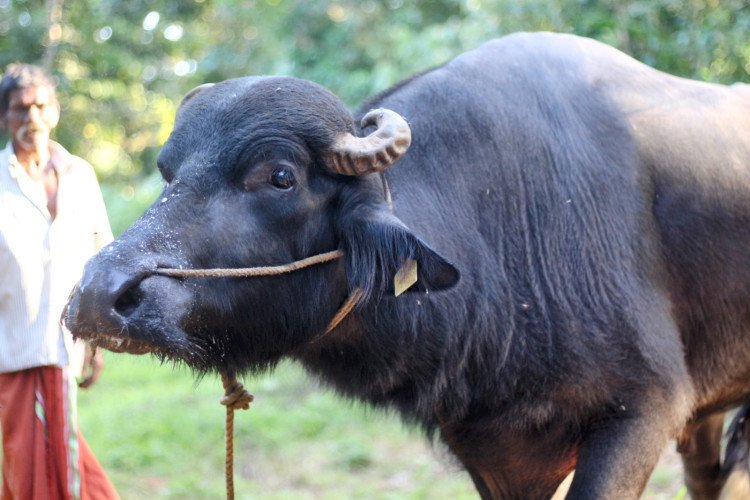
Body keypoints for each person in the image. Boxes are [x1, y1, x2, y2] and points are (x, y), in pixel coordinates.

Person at [0, 63, 118, 499]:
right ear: (3, 118)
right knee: (25, 466)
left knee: (62, 460)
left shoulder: (79, 175)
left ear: (54, 112)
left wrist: (100, 338)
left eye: (39, 106)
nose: (31, 117)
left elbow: (100, 256)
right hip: (12, 352)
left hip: (67, 346)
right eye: (19, 108)